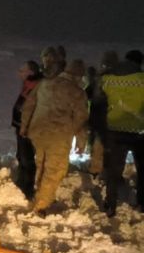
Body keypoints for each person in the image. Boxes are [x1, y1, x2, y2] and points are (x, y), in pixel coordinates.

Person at [20, 60, 88, 215]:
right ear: (78, 76)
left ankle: (42, 194)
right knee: (55, 169)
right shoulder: (77, 92)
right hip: (58, 135)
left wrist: (25, 127)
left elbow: (29, 105)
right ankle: (41, 205)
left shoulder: (45, 83)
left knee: (41, 164)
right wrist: (81, 140)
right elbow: (81, 119)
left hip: (38, 132)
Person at [99, 51, 144, 216]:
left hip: (115, 130)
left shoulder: (108, 80)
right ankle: (142, 203)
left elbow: (98, 101)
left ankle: (110, 204)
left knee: (114, 171)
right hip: (140, 133)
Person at [12, 61, 42, 200]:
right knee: (22, 155)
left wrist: (25, 125)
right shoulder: (28, 85)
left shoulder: (36, 86)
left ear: (30, 72)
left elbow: (31, 108)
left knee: (27, 157)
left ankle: (27, 187)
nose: (19, 73)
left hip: (29, 128)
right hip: (21, 126)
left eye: (22, 70)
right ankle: (22, 182)